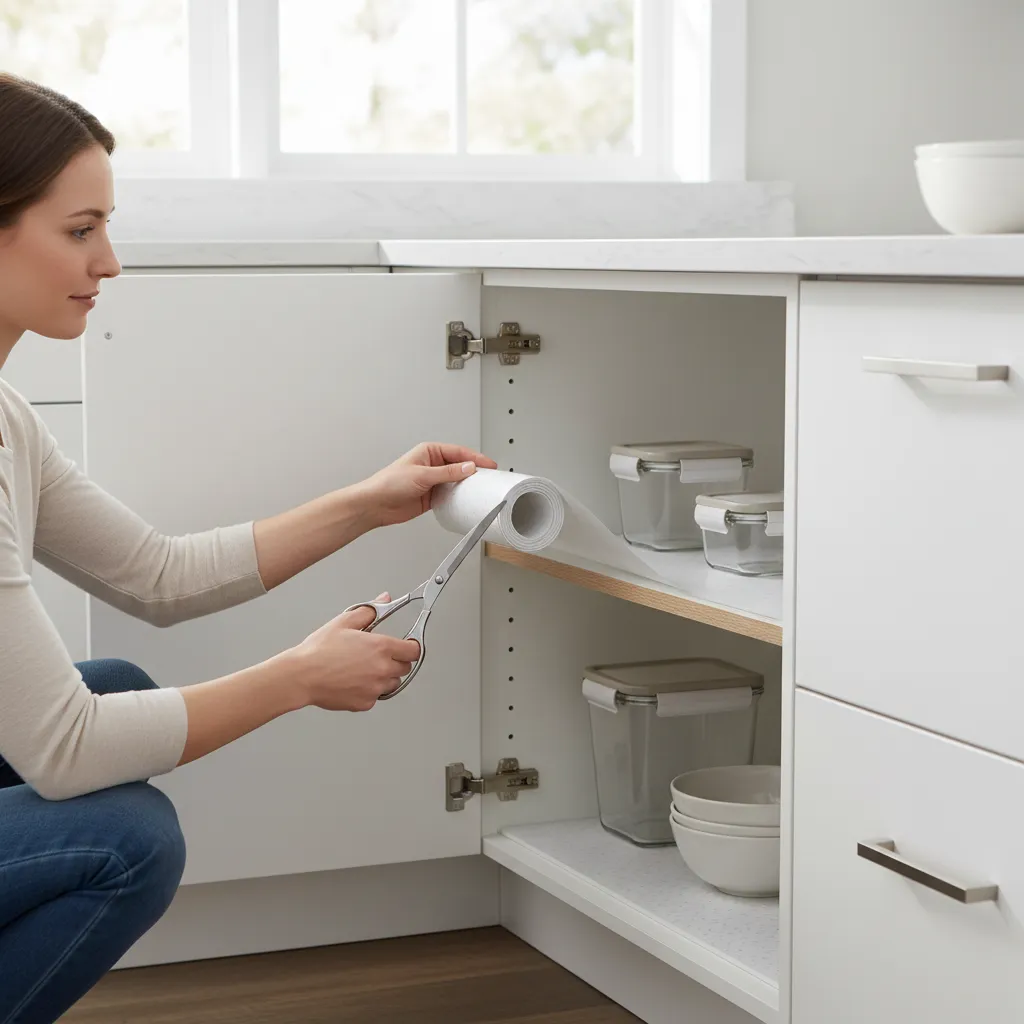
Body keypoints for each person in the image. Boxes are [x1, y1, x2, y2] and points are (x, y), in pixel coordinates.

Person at [0, 73, 497, 1023]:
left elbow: (156, 575)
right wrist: (299, 677)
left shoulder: (7, 415)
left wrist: (366, 504)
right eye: (80, 230)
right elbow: (64, 752)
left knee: (115, 686)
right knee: (128, 838)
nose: (109, 262)